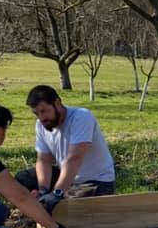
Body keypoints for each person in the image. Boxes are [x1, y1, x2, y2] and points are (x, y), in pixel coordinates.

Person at [15, 85, 116, 214]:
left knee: (66, 211)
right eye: (36, 113)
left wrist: (57, 192)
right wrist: (43, 190)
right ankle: (41, 206)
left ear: (57, 103)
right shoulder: (41, 124)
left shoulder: (81, 117)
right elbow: (43, 160)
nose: (41, 118)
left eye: (44, 111)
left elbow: (74, 158)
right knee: (22, 179)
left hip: (94, 181)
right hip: (67, 175)